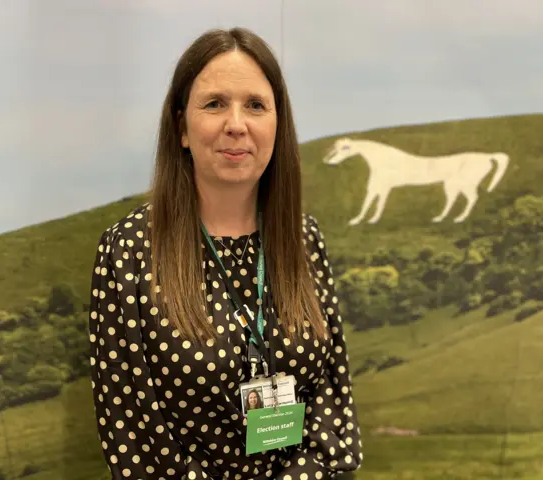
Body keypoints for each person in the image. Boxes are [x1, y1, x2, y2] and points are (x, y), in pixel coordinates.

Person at [88, 26, 363, 479]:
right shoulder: (128, 254)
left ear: (277, 126)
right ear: (181, 127)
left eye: (255, 105)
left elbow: (332, 410)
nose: (236, 123)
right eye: (215, 103)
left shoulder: (303, 239)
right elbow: (136, 439)